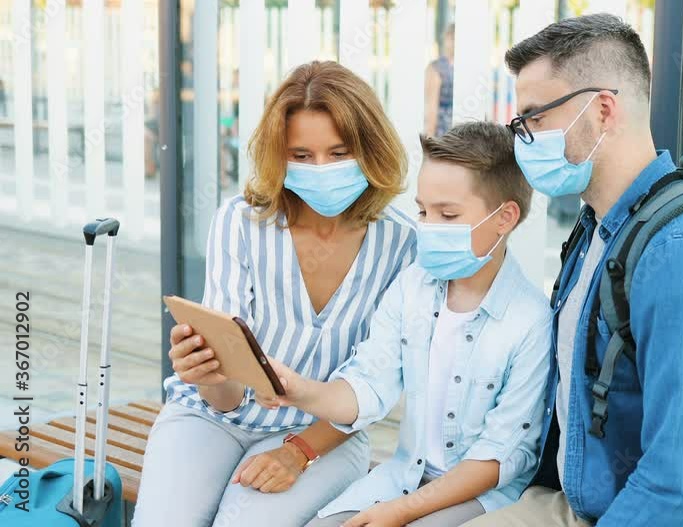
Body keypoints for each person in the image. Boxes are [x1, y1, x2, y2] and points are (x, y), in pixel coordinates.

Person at [466, 14, 683, 526]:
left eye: (535, 118)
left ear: (603, 109)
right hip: (577, 497)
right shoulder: (601, 226)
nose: (524, 140)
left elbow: (676, 487)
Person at [132, 61, 417, 527]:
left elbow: (375, 387)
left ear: (370, 150)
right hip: (209, 418)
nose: (320, 169)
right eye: (300, 155)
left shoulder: (404, 245)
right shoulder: (240, 221)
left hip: (323, 434)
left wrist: (298, 453)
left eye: (339, 152)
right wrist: (204, 372)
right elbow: (222, 398)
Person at [258, 122, 552, 527]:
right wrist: (299, 390)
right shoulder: (413, 285)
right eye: (422, 211)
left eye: (447, 214)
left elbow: (499, 457)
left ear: (505, 218)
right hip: (403, 478)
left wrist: (399, 512)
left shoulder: (531, 321)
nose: (427, 227)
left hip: (479, 497)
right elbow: (369, 384)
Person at [424, 24, 454, 137]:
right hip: (443, 129)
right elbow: (432, 106)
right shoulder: (436, 68)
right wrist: (429, 137)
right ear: (446, 38)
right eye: (452, 38)